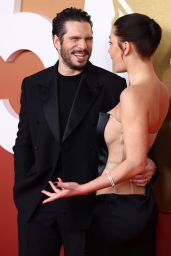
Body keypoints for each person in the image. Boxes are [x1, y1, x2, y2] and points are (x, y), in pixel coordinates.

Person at [13, 8, 155, 256]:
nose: (83, 46)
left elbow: (126, 137)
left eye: (88, 39)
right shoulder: (33, 85)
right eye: (75, 39)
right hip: (38, 204)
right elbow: (23, 143)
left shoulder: (112, 85)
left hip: (87, 206)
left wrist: (148, 160)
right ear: (57, 41)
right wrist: (24, 196)